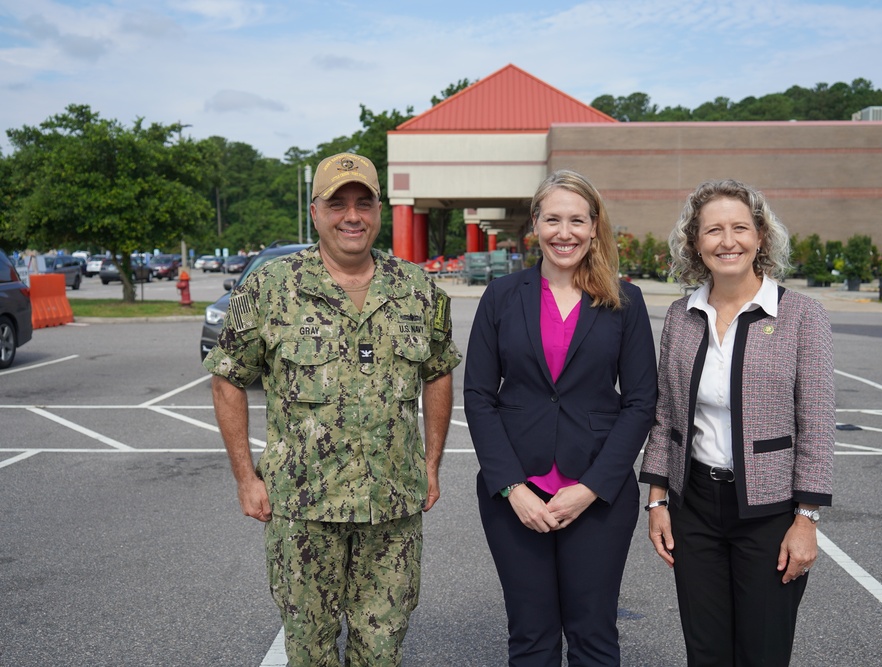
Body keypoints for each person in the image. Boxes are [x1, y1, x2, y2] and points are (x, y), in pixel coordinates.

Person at [204, 152, 462, 667]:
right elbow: (228, 376)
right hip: (301, 510)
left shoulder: (417, 290)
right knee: (309, 650)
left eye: (363, 202)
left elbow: (438, 372)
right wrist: (244, 477)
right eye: (337, 203)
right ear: (316, 212)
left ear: (379, 211)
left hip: (391, 507)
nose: (352, 215)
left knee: (382, 650)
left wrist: (431, 464)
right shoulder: (269, 287)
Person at [464, 170, 657, 666]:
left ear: (595, 227)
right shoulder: (501, 297)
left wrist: (591, 487)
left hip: (597, 495)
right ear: (535, 224)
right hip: (517, 496)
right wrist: (513, 488)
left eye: (576, 220)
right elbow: (479, 396)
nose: (564, 232)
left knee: (593, 634)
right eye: (553, 219)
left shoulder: (624, 300)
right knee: (531, 635)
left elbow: (641, 401)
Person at [640, 179, 835, 666]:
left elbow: (816, 425)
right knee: (705, 651)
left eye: (740, 228)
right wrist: (657, 502)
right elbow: (666, 416)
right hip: (696, 507)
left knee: (762, 652)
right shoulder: (681, 316)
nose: (727, 241)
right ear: (695, 243)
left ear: (761, 237)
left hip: (770, 513)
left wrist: (806, 520)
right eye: (713, 231)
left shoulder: (800, 315)